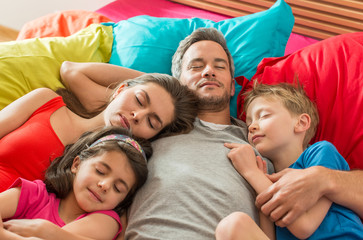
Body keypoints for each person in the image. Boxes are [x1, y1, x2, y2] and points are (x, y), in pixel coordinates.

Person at [18, 28, 363, 239]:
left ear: (232, 86)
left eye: (219, 66)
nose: (208, 71)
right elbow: (74, 72)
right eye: (196, 66)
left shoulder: (262, 135)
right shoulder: (151, 125)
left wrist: (325, 179)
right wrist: (165, 88)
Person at [0, 73, 198, 192]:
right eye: (139, 100)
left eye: (152, 122)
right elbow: (72, 68)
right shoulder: (45, 100)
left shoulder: (114, 175)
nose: (137, 115)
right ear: (121, 89)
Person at [215, 82, 363, 240]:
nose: (251, 127)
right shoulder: (266, 178)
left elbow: (304, 226)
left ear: (301, 123)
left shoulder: (320, 152)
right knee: (232, 226)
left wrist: (251, 173)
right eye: (249, 123)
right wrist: (261, 181)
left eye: (264, 116)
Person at [0, 126, 152, 240]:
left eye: (118, 188)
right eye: (100, 171)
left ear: (123, 200)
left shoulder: (107, 220)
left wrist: (46, 230)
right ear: (76, 165)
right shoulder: (35, 193)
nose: (104, 185)